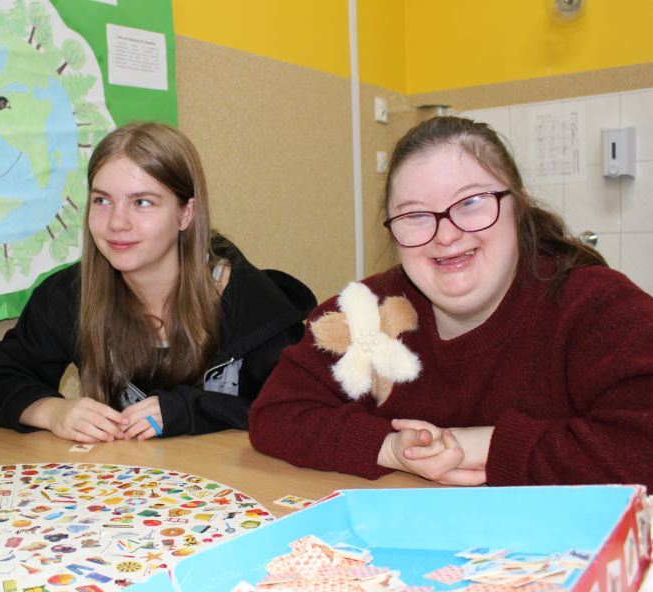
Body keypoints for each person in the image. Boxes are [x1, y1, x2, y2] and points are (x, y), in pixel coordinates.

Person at [249, 116, 653, 488]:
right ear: (392, 233)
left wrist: (482, 445)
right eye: (415, 215)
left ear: (519, 207)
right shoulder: (367, 313)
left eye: (471, 202)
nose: (446, 236)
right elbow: (277, 412)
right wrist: (390, 448)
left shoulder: (599, 306)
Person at [0, 121, 316, 443]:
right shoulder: (70, 294)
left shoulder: (252, 305)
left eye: (142, 202)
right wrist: (52, 411)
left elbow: (308, 413)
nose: (117, 222)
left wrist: (190, 410)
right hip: (127, 484)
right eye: (102, 200)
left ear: (185, 214)